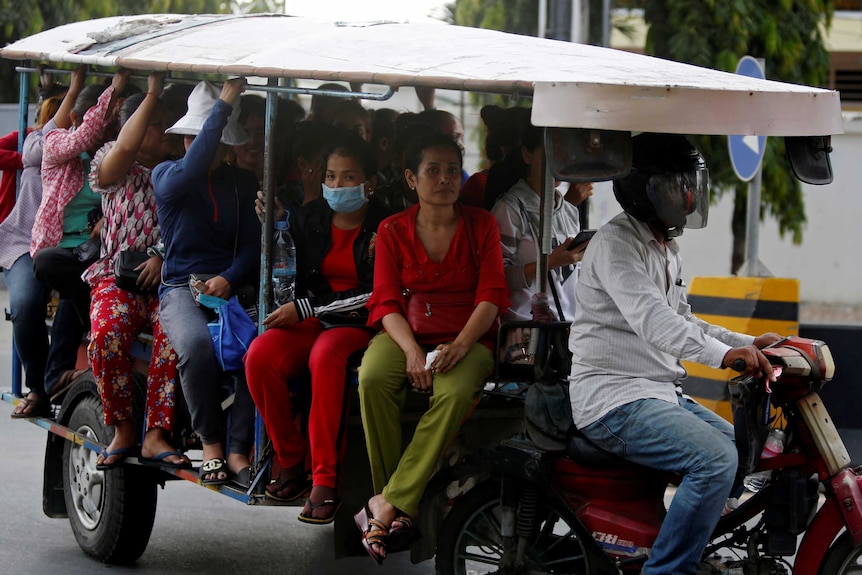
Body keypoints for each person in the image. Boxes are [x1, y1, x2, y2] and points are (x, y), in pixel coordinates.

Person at [568, 133, 780, 575]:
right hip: (614, 399)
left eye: (690, 184)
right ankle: (667, 570)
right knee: (716, 460)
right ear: (643, 191)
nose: (687, 197)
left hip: (659, 391)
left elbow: (684, 317)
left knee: (743, 452)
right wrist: (724, 357)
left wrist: (742, 343)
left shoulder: (665, 248)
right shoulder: (616, 245)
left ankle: (689, 537)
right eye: (673, 186)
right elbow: (655, 322)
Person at [355, 133, 509, 564]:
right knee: (371, 378)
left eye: (451, 170)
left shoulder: (482, 224)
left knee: (455, 393)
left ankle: (385, 505)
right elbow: (385, 300)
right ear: (411, 178)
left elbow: (492, 294)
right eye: (432, 170)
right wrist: (409, 353)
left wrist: (461, 344)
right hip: (408, 333)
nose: (444, 179)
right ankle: (399, 506)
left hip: (468, 338)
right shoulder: (392, 229)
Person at [245, 131, 390, 523]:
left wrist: (306, 308)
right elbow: (288, 268)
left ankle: (325, 480)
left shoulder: (388, 225)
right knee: (260, 355)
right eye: (330, 176)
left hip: (363, 321)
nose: (336, 185)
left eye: (347, 177)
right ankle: (290, 460)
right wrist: (272, 225)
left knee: (326, 355)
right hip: (312, 316)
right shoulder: (311, 217)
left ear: (369, 183)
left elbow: (377, 292)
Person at [152, 79, 260, 486]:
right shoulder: (165, 175)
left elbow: (253, 246)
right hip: (180, 288)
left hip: (231, 289)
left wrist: (229, 279)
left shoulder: (242, 183)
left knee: (260, 350)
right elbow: (194, 166)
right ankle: (210, 442)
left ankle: (236, 449)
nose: (194, 144)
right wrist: (226, 103)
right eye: (191, 136)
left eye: (206, 137)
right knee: (196, 348)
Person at [86, 73, 189, 470]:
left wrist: (161, 256)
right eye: (156, 124)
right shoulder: (111, 161)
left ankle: (155, 434)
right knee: (107, 333)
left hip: (168, 280)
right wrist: (150, 93)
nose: (165, 131)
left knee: (174, 336)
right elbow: (127, 145)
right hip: (117, 277)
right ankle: (123, 429)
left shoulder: (181, 170)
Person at [31, 69, 133, 333]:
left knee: (86, 288)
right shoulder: (55, 142)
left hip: (98, 249)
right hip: (61, 248)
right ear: (76, 118)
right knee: (48, 265)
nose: (105, 130)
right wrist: (111, 90)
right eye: (102, 122)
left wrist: (106, 219)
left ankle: (74, 358)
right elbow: (84, 136)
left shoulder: (113, 154)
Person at [2, 90, 83, 417]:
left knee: (74, 291)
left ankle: (56, 376)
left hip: (67, 244)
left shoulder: (95, 153)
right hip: (25, 240)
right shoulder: (38, 144)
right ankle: (37, 387)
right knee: (25, 304)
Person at [492, 122, 590, 322]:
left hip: (565, 325)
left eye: (565, 155)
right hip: (526, 327)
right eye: (551, 154)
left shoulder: (569, 210)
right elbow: (497, 279)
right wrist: (552, 262)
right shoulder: (510, 209)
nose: (558, 163)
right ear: (527, 155)